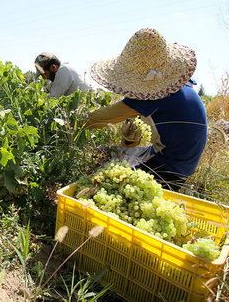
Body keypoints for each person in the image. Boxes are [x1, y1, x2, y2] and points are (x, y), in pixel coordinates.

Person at [83, 28, 208, 191]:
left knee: (103, 167)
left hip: (167, 169)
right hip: (182, 165)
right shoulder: (180, 86)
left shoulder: (151, 96)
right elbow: (132, 139)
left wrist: (69, 122)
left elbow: (97, 120)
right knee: (114, 153)